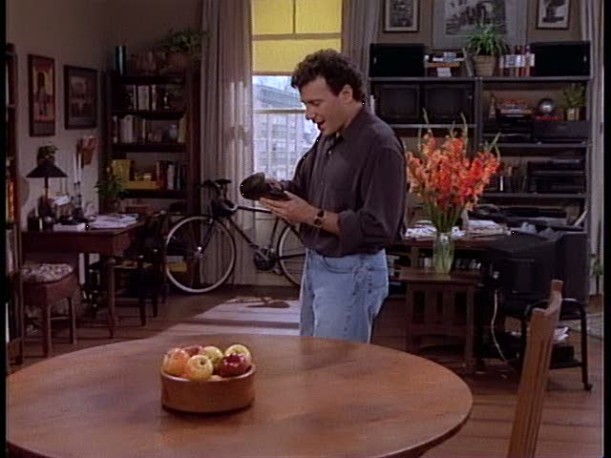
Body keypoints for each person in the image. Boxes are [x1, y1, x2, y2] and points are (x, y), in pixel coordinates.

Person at [260, 49, 406, 343]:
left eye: (315, 103)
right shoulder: (327, 137)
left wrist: (309, 215)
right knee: (313, 364)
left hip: (353, 271)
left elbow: (379, 227)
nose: (309, 114)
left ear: (347, 94)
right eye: (305, 104)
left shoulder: (381, 145)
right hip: (317, 264)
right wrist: (278, 190)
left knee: (336, 374)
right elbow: (304, 186)